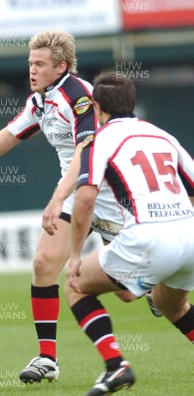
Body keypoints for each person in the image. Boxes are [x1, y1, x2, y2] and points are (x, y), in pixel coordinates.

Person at [0, 30, 130, 383]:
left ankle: (162, 294)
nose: (32, 71)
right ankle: (48, 358)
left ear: (61, 67)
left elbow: (86, 151)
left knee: (128, 293)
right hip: (73, 192)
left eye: (39, 64)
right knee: (42, 264)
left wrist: (55, 198)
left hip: (108, 193)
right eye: (30, 64)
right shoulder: (39, 101)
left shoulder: (80, 95)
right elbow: (10, 134)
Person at [65, 72, 194, 395]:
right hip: (189, 234)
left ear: (96, 106)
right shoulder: (161, 135)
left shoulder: (99, 139)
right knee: (172, 306)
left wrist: (74, 254)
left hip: (149, 238)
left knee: (76, 286)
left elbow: (84, 197)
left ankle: (115, 366)